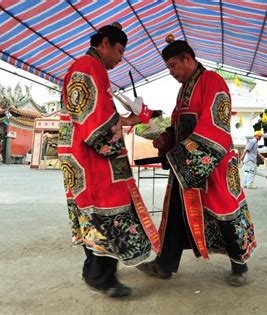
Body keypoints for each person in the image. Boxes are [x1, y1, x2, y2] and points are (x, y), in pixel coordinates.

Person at [137, 35, 257, 287]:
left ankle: (239, 264)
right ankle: (164, 264)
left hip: (214, 164)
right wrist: (166, 138)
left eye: (173, 65)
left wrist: (181, 156)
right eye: (168, 67)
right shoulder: (183, 91)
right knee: (176, 215)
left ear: (188, 59)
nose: (171, 72)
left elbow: (216, 125)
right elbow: (177, 124)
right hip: (187, 166)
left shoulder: (212, 81)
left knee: (225, 214)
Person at [57, 22, 160, 298]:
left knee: (93, 213)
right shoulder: (89, 68)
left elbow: (96, 115)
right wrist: (125, 125)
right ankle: (101, 277)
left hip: (81, 156)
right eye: (119, 51)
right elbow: (95, 125)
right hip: (92, 158)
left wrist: (129, 120)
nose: (120, 59)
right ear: (104, 43)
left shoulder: (87, 68)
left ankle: (95, 269)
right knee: (106, 212)